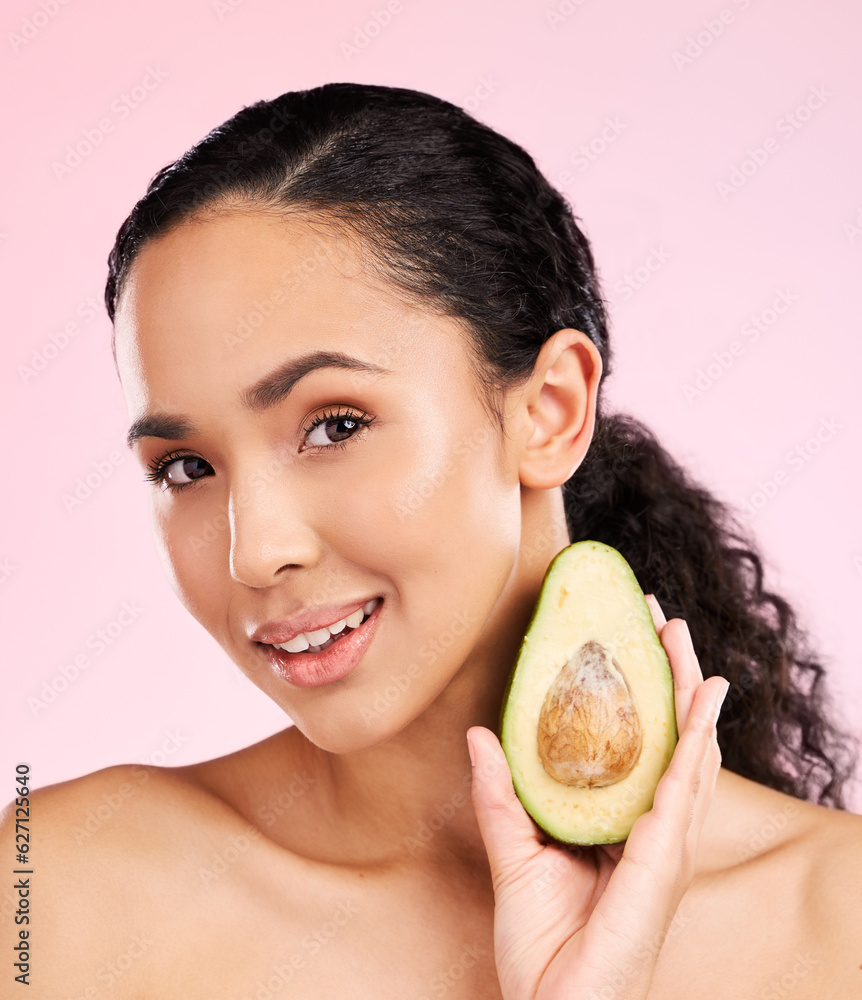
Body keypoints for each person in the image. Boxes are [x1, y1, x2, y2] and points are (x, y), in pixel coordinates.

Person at [3, 81, 860, 999]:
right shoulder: (51, 896)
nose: (253, 554)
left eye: (333, 425)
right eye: (184, 467)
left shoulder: (837, 922)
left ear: (550, 412)